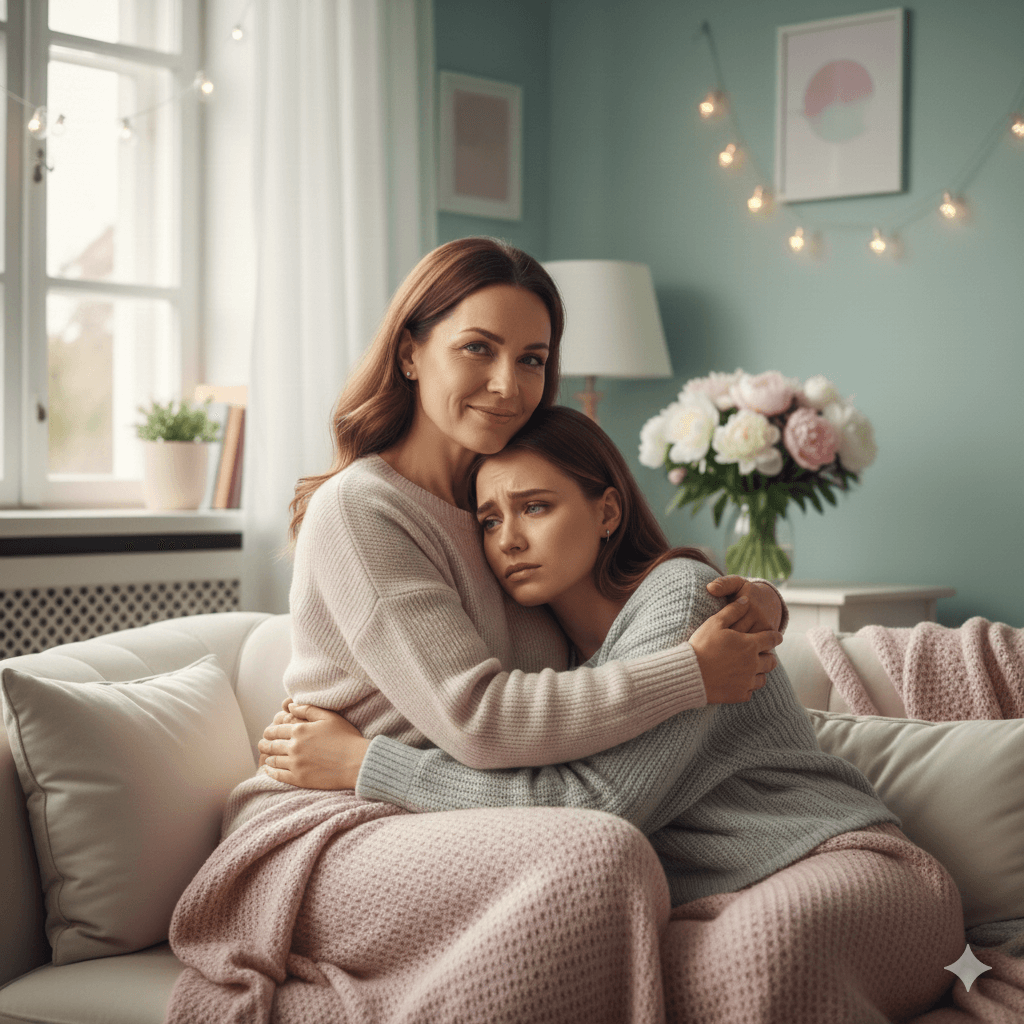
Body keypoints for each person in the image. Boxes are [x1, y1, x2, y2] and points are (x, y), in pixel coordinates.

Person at [178, 237, 785, 1024]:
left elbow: (632, 590)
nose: (510, 385)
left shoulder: (500, 503)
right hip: (335, 832)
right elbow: (481, 718)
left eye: (532, 358)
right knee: (604, 854)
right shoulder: (362, 510)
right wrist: (690, 676)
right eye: (478, 349)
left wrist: (757, 597)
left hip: (468, 818)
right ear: (409, 353)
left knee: (613, 850)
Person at [262, 406, 967, 1024]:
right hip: (710, 898)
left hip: (846, 864)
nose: (507, 539)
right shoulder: (555, 665)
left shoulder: (680, 599)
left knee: (761, 958)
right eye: (488, 519)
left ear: (605, 512)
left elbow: (598, 805)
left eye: (535, 507)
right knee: (637, 975)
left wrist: (367, 764)